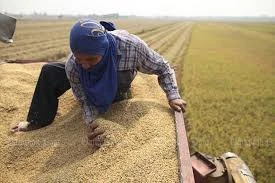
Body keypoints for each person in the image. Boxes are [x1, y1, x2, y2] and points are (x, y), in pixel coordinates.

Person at [11, 19, 186, 148]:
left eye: (91, 58)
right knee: (50, 71)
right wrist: (94, 123)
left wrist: (173, 96)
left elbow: (163, 67)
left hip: (119, 76)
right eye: (80, 58)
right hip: (84, 79)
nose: (85, 64)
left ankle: (115, 94)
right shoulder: (74, 65)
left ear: (103, 49)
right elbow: (84, 100)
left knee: (118, 94)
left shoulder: (131, 48)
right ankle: (36, 121)